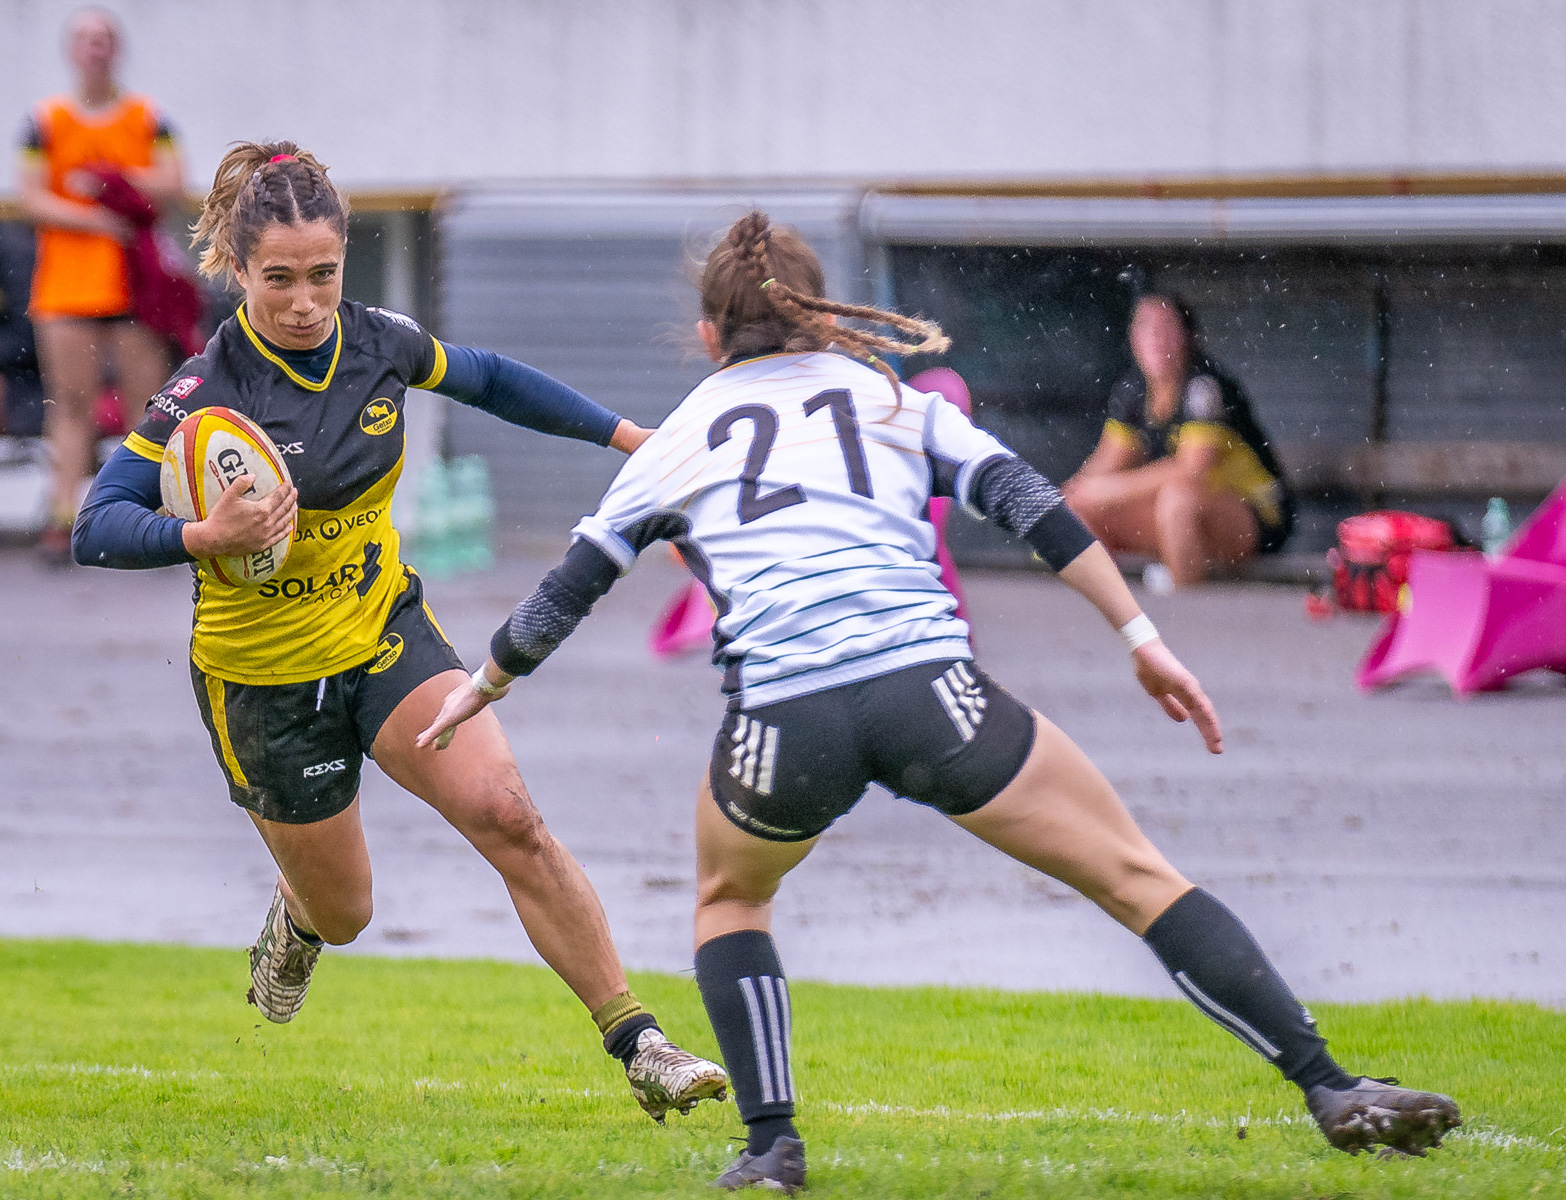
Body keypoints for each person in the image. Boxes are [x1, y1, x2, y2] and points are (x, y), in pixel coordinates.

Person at [418, 213, 1462, 1191]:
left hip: (785, 724)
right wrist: (1144, 641)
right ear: (825, 314)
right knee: (1138, 878)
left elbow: (569, 588)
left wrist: (484, 685)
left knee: (731, 901)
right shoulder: (892, 400)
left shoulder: (682, 435)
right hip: (934, 696)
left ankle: (773, 1149)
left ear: (706, 335)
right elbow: (1033, 507)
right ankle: (1330, 1086)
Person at [70, 142, 727, 1123]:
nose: (303, 300)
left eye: (323, 274)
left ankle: (642, 1045)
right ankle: (298, 920)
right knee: (347, 908)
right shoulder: (205, 392)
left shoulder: (377, 342)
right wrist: (203, 534)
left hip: (383, 636)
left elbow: (492, 379)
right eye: (280, 278)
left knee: (510, 817)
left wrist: (633, 440)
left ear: (345, 262)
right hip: (264, 684)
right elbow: (97, 524)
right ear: (240, 271)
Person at [18, 7, 182, 564]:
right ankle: (62, 518)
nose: (97, 48)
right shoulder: (45, 120)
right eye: (87, 39)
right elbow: (29, 195)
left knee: (147, 406)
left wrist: (110, 182)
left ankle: (149, 516)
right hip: (66, 289)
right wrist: (100, 218)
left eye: (106, 38)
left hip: (136, 290)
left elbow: (172, 180)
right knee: (70, 404)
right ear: (73, 50)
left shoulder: (147, 117)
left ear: (118, 49)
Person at [1063, 292, 1293, 588]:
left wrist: (1108, 490)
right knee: (1079, 511)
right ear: (1132, 338)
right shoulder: (1133, 390)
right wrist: (1071, 496)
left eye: (1166, 328)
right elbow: (1106, 463)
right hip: (1177, 525)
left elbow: (1191, 470)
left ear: (1187, 336)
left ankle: (1186, 617)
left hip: (1253, 517)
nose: (1155, 338)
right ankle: (1114, 616)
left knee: (1177, 501)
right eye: (1145, 327)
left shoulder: (1204, 387)